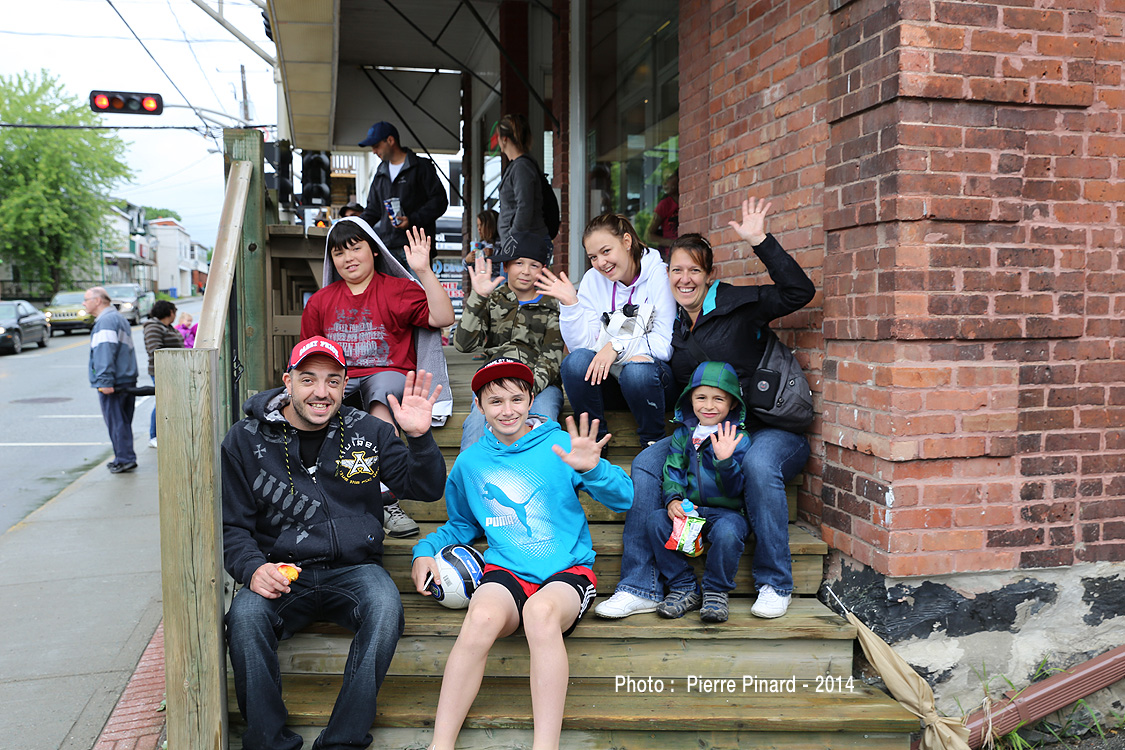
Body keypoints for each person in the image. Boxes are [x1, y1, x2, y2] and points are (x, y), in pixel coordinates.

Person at [595, 197, 816, 621]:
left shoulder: (737, 304)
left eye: (694, 269)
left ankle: (774, 582)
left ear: (709, 274)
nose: (684, 278)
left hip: (768, 429)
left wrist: (761, 241)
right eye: (676, 270)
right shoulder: (667, 321)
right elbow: (629, 353)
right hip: (701, 435)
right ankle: (640, 585)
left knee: (757, 465)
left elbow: (798, 292)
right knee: (644, 462)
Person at [222, 336, 447, 750]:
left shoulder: (369, 431)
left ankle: (342, 741)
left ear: (346, 386)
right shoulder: (244, 439)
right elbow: (232, 526)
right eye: (308, 379)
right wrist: (253, 568)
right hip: (281, 569)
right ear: (287, 381)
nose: (321, 392)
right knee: (244, 618)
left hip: (354, 569)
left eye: (333, 380)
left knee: (384, 606)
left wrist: (419, 438)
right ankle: (268, 742)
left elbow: (427, 488)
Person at [410, 358, 632, 750]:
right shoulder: (470, 462)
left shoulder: (561, 444)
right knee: (480, 616)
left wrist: (594, 469)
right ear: (479, 407)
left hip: (567, 574)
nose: (507, 410)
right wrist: (425, 550)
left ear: (532, 399)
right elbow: (461, 526)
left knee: (540, 612)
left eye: (516, 398)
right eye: (495, 401)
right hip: (508, 572)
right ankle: (439, 745)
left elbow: (626, 498)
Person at [301, 215, 455, 538]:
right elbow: (310, 361)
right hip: (340, 379)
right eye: (339, 253)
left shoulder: (397, 290)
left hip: (388, 376)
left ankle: (385, 497)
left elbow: (443, 316)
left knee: (382, 392)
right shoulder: (320, 302)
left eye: (355, 248)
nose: (348, 258)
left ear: (373, 250)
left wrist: (423, 271)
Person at [536, 213, 677, 445]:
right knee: (575, 362)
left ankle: (653, 443)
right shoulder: (593, 280)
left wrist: (616, 347)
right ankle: (595, 443)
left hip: (650, 387)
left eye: (606, 251)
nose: (601, 262)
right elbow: (581, 349)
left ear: (627, 242)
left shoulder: (659, 275)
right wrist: (571, 306)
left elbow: (664, 344)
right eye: (593, 256)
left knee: (637, 370)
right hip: (610, 384)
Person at [647, 361, 751, 624]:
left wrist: (725, 461)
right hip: (690, 509)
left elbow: (736, 488)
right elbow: (674, 468)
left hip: (725, 511)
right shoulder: (684, 433)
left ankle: (715, 590)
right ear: (690, 399)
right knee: (656, 521)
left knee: (729, 532)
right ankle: (684, 587)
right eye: (700, 397)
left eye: (719, 399)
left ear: (733, 404)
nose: (708, 406)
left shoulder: (739, 438)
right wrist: (673, 499)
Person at [453, 231, 564, 451]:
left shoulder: (553, 304)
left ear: (543, 269)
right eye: (519, 263)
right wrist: (479, 297)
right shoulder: (494, 298)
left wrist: (523, 390)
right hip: (496, 378)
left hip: (540, 384)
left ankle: (538, 480)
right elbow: (464, 344)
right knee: (477, 422)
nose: (525, 271)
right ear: (506, 267)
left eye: (534, 265)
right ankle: (474, 480)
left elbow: (551, 358)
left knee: (544, 422)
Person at [357, 121, 449, 271]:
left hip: (417, 248)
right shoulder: (380, 173)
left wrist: (412, 220)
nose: (373, 151)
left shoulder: (421, 167)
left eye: (376, 145)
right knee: (390, 295)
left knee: (419, 294)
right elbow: (373, 210)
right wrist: (352, 225)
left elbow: (440, 201)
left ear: (390, 141)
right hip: (388, 250)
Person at [83, 286, 140, 474]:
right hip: (126, 378)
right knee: (122, 420)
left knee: (117, 422)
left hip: (114, 381)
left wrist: (105, 381)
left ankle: (124, 459)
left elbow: (105, 352)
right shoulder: (117, 318)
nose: (84, 303)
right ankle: (123, 457)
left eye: (86, 299)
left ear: (97, 301)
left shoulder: (105, 321)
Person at [496, 114, 551, 259]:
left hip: (524, 247)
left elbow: (524, 206)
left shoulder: (521, 167)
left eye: (498, 137)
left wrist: (512, 240)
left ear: (504, 139)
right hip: (521, 244)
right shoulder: (518, 166)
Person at [143, 300, 184, 449]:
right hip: (161, 371)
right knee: (161, 402)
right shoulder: (153, 327)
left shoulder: (168, 327)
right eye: (175, 312)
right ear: (170, 312)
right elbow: (155, 350)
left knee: (171, 402)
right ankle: (154, 435)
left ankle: (167, 432)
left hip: (175, 371)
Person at [645, 169, 679, 254]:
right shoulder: (664, 204)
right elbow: (648, 235)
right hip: (671, 255)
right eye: (663, 180)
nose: (665, 183)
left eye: (669, 178)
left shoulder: (688, 201)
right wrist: (671, 243)